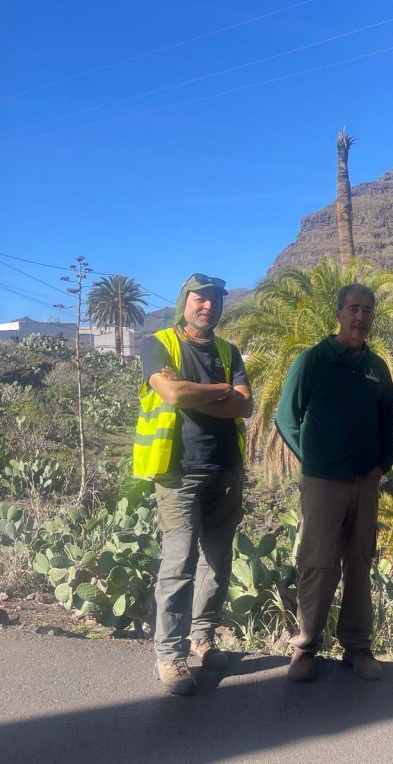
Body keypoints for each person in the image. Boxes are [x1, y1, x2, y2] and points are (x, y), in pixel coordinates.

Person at [135, 273, 253, 696]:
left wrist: (201, 393)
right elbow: (170, 394)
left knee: (218, 564)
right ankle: (169, 654)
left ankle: (202, 636)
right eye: (200, 300)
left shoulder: (228, 350)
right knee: (179, 561)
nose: (208, 306)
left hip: (225, 469)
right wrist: (221, 390)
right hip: (178, 471)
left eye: (215, 301)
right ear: (185, 302)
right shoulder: (158, 343)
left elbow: (246, 405)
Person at [275, 283, 393, 683]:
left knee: (360, 564)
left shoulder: (377, 368)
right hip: (323, 481)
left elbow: (388, 424)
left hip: (365, 483)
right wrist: (313, 461)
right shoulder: (313, 360)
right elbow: (286, 417)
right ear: (339, 313)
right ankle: (305, 648)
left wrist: (382, 466)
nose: (360, 317)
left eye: (367, 310)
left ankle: (358, 649)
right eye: (353, 309)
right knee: (318, 564)